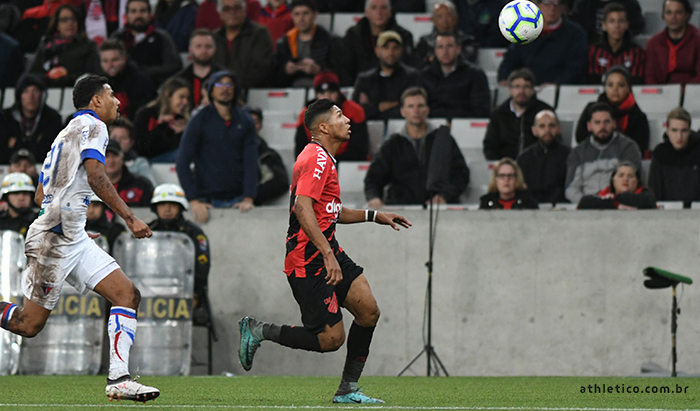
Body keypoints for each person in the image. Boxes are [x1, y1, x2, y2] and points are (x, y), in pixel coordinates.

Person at [237, 98, 412, 404]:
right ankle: (259, 330)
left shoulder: (324, 158)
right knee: (331, 340)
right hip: (308, 260)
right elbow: (302, 209)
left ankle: (348, 390)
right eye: (340, 115)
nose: (348, 120)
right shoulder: (316, 159)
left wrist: (375, 216)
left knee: (368, 310)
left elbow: (330, 211)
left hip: (328, 252)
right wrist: (327, 255)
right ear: (323, 127)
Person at [0, 74, 160, 402]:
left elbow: (41, 193)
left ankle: (119, 379)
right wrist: (129, 217)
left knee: (127, 295)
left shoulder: (64, 134)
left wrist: (71, 220)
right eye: (112, 94)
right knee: (28, 325)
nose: (117, 101)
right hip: (54, 241)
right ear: (96, 100)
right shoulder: (95, 126)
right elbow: (97, 176)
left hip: (70, 235)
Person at [364, 87, 470, 208]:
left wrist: (445, 196)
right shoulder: (392, 144)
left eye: (420, 106)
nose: (416, 111)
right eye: (410, 106)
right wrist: (374, 197)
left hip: (436, 210)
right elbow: (373, 178)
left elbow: (461, 174)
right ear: (402, 111)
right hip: (401, 209)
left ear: (427, 110)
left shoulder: (443, 140)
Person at [176, 70, 258, 223]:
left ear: (236, 90)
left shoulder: (245, 120)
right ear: (211, 90)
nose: (225, 88)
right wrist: (193, 200)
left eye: (229, 84)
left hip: (239, 200)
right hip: (207, 200)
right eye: (219, 84)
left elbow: (251, 162)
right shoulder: (199, 120)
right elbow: (182, 162)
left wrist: (248, 197)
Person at [148, 183, 212, 325]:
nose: (167, 209)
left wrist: (188, 290)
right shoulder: (147, 231)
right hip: (150, 293)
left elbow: (202, 270)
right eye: (162, 204)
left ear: (180, 207)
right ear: (155, 208)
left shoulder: (194, 233)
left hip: (185, 293)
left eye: (172, 204)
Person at [565, 102, 642, 204]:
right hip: (586, 208)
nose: (602, 127)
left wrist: (611, 203)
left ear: (614, 123)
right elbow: (570, 189)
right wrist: (588, 204)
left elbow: (631, 184)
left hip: (618, 207)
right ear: (589, 126)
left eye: (606, 122)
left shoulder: (628, 147)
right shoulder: (578, 152)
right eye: (597, 122)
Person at [497, 0, 587, 86]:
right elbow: (511, 59)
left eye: (557, 4)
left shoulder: (575, 34)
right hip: (525, 87)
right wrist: (505, 78)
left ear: (563, 8)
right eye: (547, 3)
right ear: (537, 5)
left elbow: (575, 67)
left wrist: (557, 84)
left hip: (558, 89)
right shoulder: (524, 29)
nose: (552, 8)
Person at [295, 71, 369, 162]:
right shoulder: (304, 115)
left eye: (331, 92)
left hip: (347, 164)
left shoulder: (355, 111)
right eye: (322, 93)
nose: (327, 97)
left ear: (338, 92)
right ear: (316, 95)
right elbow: (301, 150)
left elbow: (359, 149)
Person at [483, 68, 555, 161]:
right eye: (517, 87)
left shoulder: (545, 112)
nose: (521, 91)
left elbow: (553, 143)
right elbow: (490, 146)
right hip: (507, 168)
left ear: (533, 90)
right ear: (510, 90)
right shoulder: (498, 114)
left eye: (526, 87)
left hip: (537, 164)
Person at [575, 65, 649, 154]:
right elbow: (580, 137)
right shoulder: (591, 109)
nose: (615, 89)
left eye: (621, 85)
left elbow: (639, 147)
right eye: (610, 85)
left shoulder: (638, 117)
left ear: (628, 88)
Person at [339, 0, 414, 86]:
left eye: (383, 8)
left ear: (390, 12)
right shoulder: (353, 35)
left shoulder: (403, 36)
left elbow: (407, 66)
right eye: (374, 8)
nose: (379, 12)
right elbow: (345, 68)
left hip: (396, 87)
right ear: (366, 12)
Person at [419, 32, 490, 119]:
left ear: (459, 49)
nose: (445, 52)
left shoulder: (476, 75)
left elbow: (481, 109)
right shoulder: (424, 76)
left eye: (450, 46)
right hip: (432, 124)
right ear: (436, 52)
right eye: (441, 47)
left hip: (465, 125)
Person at [352, 30, 420, 120]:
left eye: (395, 48)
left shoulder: (412, 76)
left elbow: (413, 109)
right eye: (386, 47)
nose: (391, 52)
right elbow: (356, 110)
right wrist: (381, 106)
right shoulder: (365, 79)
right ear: (377, 51)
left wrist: (373, 107)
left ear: (401, 50)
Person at [28, 4, 101, 88]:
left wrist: (67, 78)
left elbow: (92, 74)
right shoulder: (46, 45)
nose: (70, 23)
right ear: (57, 24)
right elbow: (33, 73)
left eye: (73, 19)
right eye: (64, 20)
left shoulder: (87, 46)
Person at [112, 0, 182, 85]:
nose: (138, 15)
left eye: (143, 11)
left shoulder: (161, 37)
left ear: (150, 14)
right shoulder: (117, 38)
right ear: (126, 15)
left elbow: (173, 65)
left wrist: (145, 71)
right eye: (133, 11)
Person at [274, 0, 340, 87]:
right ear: (292, 16)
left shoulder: (331, 40)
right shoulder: (284, 42)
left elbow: (340, 73)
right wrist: (285, 70)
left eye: (305, 13)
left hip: (321, 89)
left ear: (315, 15)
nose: (301, 19)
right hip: (292, 89)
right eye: (297, 14)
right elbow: (275, 77)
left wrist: (319, 70)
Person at [0, 74, 63, 165]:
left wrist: (16, 144)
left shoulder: (53, 118)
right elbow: (2, 153)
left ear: (42, 95)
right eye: (26, 91)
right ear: (19, 96)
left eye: (35, 91)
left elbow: (49, 154)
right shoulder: (5, 117)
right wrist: (35, 144)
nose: (31, 96)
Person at [212, 0, 274, 88]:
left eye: (237, 8)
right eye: (227, 9)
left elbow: (262, 70)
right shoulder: (214, 38)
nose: (232, 12)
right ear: (220, 14)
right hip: (220, 90)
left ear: (244, 11)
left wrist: (232, 86)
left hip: (252, 91)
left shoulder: (259, 34)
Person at [648, 107, 700, 208]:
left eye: (683, 131)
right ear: (667, 131)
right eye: (674, 130)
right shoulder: (660, 153)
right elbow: (654, 189)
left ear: (689, 131)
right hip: (666, 213)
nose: (679, 137)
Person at [517, 110, 570, 205]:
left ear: (558, 129)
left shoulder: (569, 155)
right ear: (534, 130)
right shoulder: (524, 158)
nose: (547, 130)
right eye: (542, 126)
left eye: (552, 126)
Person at [133, 77, 191, 162]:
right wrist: (159, 127)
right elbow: (140, 148)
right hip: (149, 161)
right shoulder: (145, 114)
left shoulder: (181, 119)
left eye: (187, 98)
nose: (185, 102)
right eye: (181, 97)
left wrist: (184, 133)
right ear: (168, 95)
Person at [586, 2, 646, 85]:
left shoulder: (637, 52)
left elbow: (637, 81)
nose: (617, 26)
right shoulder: (593, 52)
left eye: (621, 21)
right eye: (612, 21)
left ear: (627, 25)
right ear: (604, 26)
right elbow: (592, 81)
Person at [99, 39, 157, 120]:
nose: (110, 65)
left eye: (115, 60)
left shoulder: (141, 81)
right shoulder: (99, 83)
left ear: (124, 59)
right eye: (105, 61)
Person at [645, 0, 700, 85]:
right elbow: (650, 77)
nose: (673, 17)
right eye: (669, 12)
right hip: (661, 94)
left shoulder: (697, 40)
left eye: (678, 12)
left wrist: (684, 92)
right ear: (663, 16)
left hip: (692, 93)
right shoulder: (653, 43)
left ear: (687, 15)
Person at [245, 107, 290, 205]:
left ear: (260, 125)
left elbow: (280, 182)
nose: (251, 126)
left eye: (255, 122)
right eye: (247, 122)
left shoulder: (268, 155)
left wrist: (249, 195)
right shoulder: (227, 153)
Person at [414, 1, 477, 69]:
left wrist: (434, 59)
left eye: (448, 16)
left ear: (456, 18)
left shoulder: (467, 41)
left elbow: (468, 61)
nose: (445, 21)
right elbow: (417, 64)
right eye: (439, 17)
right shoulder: (425, 42)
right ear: (433, 20)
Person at [173, 29, 224, 109]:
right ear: (190, 50)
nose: (204, 50)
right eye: (198, 46)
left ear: (215, 50)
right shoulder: (179, 79)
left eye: (208, 46)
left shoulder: (225, 78)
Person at [578, 161, 655, 209]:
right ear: (613, 180)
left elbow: (647, 202)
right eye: (621, 175)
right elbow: (584, 202)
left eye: (630, 176)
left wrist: (612, 199)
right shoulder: (605, 194)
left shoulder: (646, 196)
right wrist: (615, 204)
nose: (626, 179)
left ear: (637, 181)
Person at [105, 139, 155, 207]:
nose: (111, 161)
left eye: (115, 155)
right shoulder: (90, 186)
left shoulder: (142, 185)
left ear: (122, 157)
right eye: (106, 156)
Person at [568, 0, 644, 44]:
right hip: (589, 51)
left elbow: (636, 26)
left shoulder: (629, 3)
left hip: (620, 49)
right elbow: (575, 29)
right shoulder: (583, 4)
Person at [109, 117, 155, 185]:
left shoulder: (140, 163)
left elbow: (150, 188)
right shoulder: (99, 162)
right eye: (114, 138)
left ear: (131, 142)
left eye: (123, 138)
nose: (118, 141)